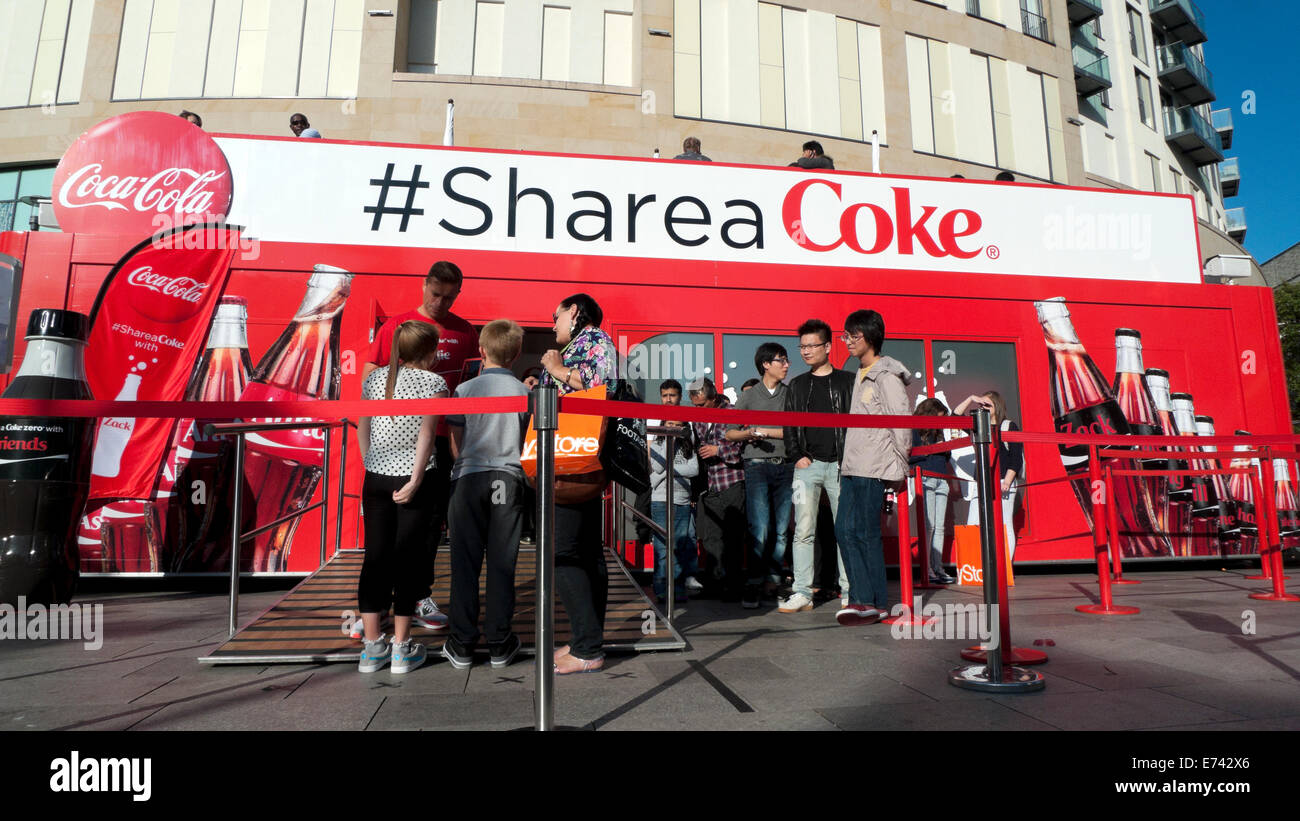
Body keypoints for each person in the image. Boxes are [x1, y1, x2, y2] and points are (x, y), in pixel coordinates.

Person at [363, 261, 477, 631]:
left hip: (443, 440)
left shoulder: (465, 331)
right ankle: (378, 605)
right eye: (435, 294)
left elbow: (471, 380)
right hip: (396, 443)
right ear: (424, 286)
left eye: (449, 296)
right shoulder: (395, 326)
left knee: (428, 526)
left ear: (458, 293)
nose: (441, 302)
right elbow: (368, 381)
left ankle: (417, 596)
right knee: (382, 535)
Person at [355, 321, 448, 674]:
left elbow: (363, 428)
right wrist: (415, 477)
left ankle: (371, 648)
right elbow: (427, 434)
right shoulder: (435, 383)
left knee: (375, 558)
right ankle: (400, 648)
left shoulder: (375, 380)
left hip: (376, 477)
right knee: (407, 560)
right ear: (429, 350)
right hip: (413, 479)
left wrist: (373, 465)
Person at [440, 320, 530, 670]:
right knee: (502, 564)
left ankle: (461, 644)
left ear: (481, 350)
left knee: (464, 564)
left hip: (469, 479)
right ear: (517, 353)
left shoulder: (464, 390)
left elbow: (455, 441)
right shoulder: (525, 393)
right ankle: (499, 642)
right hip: (508, 480)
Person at [542, 293, 617, 675]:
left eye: (555, 315)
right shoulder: (581, 345)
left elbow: (599, 387)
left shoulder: (595, 341)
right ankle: (587, 639)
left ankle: (588, 648)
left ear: (573, 311)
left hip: (573, 459)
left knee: (562, 551)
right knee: (585, 552)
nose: (552, 323)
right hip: (573, 457)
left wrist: (555, 370)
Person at [835, 310, 911, 626]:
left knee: (864, 532)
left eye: (853, 335)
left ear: (869, 337)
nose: (848, 341)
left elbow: (901, 424)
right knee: (844, 529)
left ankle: (872, 601)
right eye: (846, 335)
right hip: (853, 465)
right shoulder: (861, 372)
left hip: (873, 467)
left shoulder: (886, 376)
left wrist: (899, 468)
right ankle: (864, 598)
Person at [780, 319, 854, 613]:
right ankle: (802, 592)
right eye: (802, 346)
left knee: (844, 530)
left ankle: (850, 591)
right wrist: (796, 454)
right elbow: (789, 426)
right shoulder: (797, 385)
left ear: (827, 346)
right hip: (806, 465)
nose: (806, 351)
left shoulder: (848, 381)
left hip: (841, 465)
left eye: (812, 345)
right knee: (803, 530)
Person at [727, 343, 792, 608]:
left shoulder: (790, 394)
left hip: (786, 466)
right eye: (782, 360)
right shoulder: (750, 396)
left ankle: (773, 581)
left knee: (782, 530)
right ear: (766, 364)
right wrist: (748, 434)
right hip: (756, 465)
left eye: (787, 360)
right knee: (761, 528)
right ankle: (753, 583)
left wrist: (764, 430)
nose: (787, 365)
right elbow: (730, 432)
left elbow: (795, 432)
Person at [689, 377, 747, 601]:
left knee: (733, 537)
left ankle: (733, 587)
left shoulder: (733, 412)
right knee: (711, 538)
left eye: (701, 405)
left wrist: (718, 450)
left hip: (732, 480)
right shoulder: (698, 416)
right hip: (709, 483)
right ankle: (713, 585)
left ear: (713, 398)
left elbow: (742, 446)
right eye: (695, 406)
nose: (698, 409)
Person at [952, 391, 1024, 559]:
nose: (983, 407)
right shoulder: (978, 425)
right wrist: (970, 398)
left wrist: (1007, 481)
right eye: (981, 404)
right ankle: (975, 565)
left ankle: (1005, 567)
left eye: (988, 405)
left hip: (1003, 480)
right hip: (982, 481)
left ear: (996, 406)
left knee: (1004, 524)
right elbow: (954, 417)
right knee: (973, 523)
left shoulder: (1008, 425)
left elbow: (1016, 458)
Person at [648, 379, 701, 603]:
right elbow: (656, 467)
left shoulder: (688, 436)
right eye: (664, 395)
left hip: (681, 497)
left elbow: (694, 468)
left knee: (679, 545)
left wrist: (668, 469)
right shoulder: (657, 434)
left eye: (673, 395)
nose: (668, 400)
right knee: (661, 547)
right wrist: (668, 438)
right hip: (660, 498)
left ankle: (677, 589)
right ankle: (661, 588)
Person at [910, 397, 956, 584]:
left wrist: (946, 448)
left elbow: (946, 456)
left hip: (941, 479)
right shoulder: (914, 430)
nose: (941, 420)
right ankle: (927, 568)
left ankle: (938, 568)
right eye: (939, 416)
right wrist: (926, 451)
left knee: (939, 527)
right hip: (925, 478)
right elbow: (908, 456)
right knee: (928, 527)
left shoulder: (939, 431)